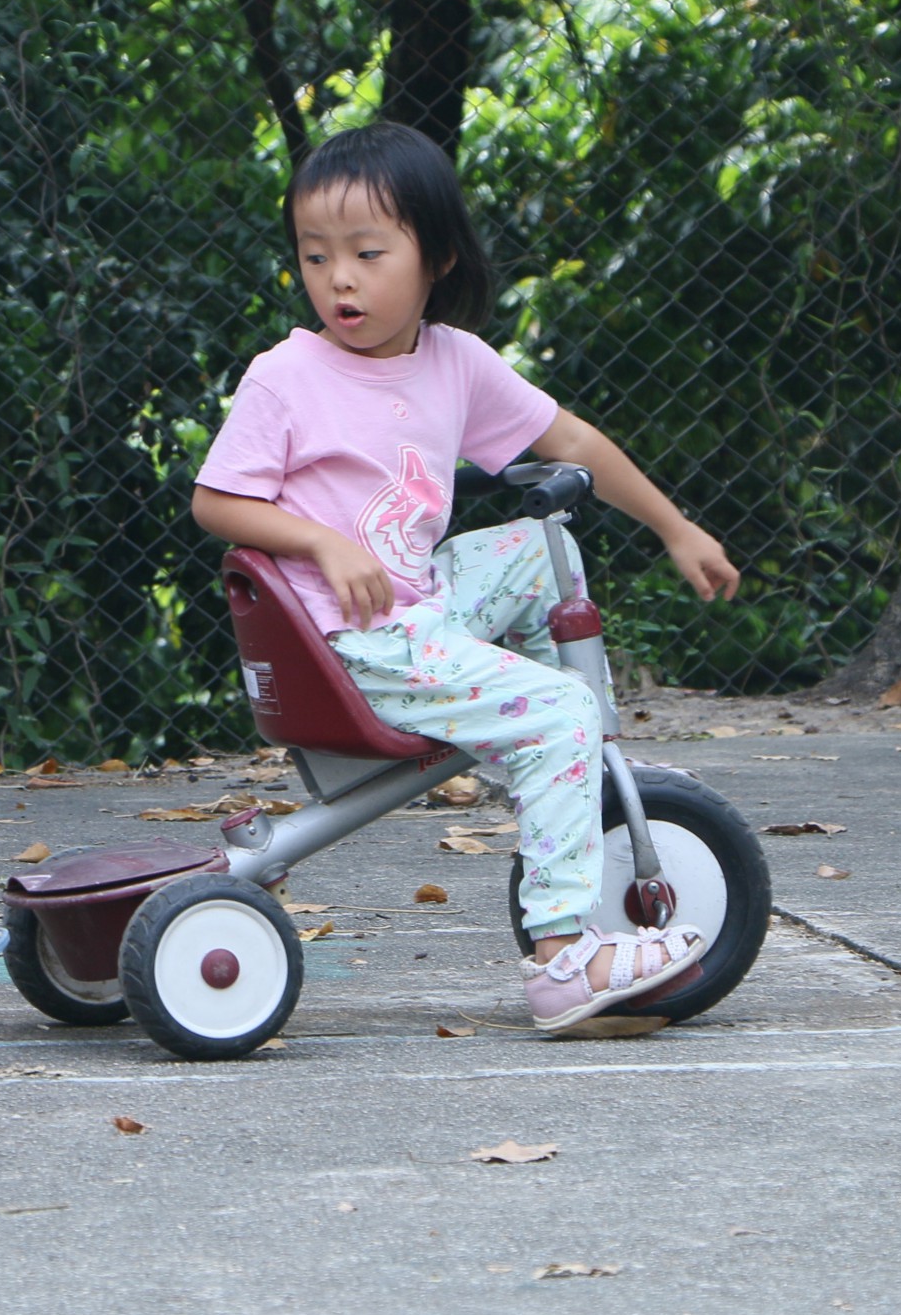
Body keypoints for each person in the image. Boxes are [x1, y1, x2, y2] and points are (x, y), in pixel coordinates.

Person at [190, 122, 742, 1034]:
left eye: (368, 253)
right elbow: (216, 502)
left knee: (541, 549)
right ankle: (565, 952)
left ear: (435, 256)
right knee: (564, 710)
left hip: (416, 605)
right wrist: (323, 543)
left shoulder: (452, 360)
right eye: (316, 255)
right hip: (356, 638)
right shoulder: (287, 376)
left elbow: (569, 441)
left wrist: (676, 527)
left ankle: (519, 746)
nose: (340, 279)